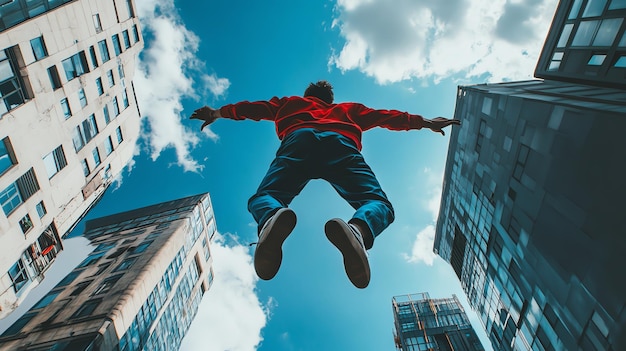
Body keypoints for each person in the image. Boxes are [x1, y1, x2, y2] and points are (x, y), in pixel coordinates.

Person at [190, 80, 460, 288]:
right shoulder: (348, 110)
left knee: (267, 195)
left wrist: (217, 113)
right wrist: (424, 122)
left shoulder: (290, 103)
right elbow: (384, 116)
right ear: (330, 99)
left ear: (308, 96)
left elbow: (253, 109)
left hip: (299, 140)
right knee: (377, 204)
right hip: (341, 145)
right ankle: (358, 230)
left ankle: (272, 217)